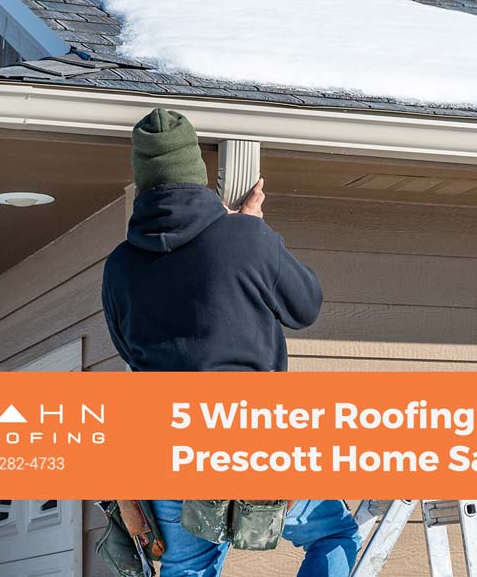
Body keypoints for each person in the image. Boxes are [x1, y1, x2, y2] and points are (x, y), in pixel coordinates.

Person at [101, 108, 362, 577]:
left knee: (187, 571)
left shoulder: (120, 266)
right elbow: (305, 307)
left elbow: (126, 349)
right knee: (332, 534)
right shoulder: (244, 236)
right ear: (196, 176)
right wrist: (252, 232)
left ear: (142, 183)